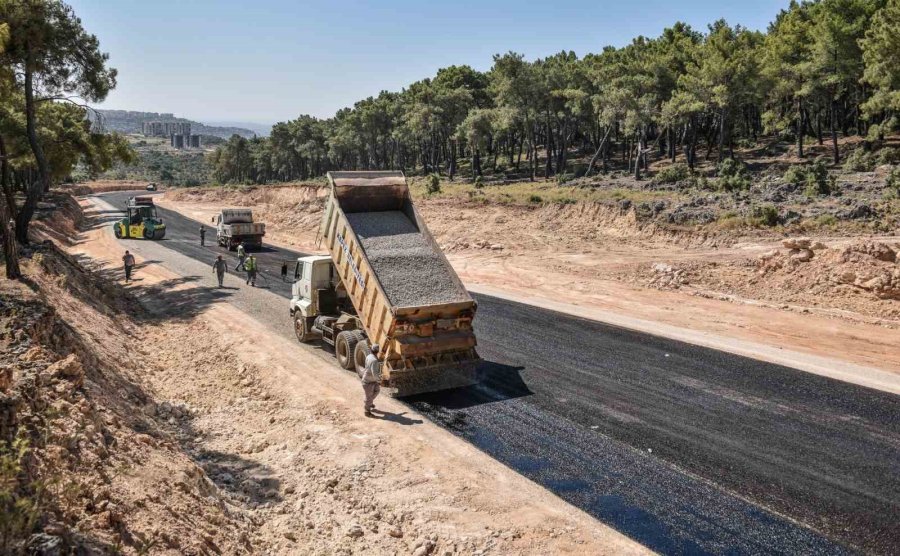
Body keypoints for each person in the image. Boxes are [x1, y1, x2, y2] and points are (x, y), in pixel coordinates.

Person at [361, 343, 382, 417]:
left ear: (371, 350)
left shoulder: (369, 356)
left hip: (370, 380)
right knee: (369, 397)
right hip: (368, 382)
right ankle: (367, 412)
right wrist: (380, 381)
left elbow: (366, 366)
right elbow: (375, 373)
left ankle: (369, 402)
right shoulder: (374, 360)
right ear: (377, 351)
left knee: (377, 390)